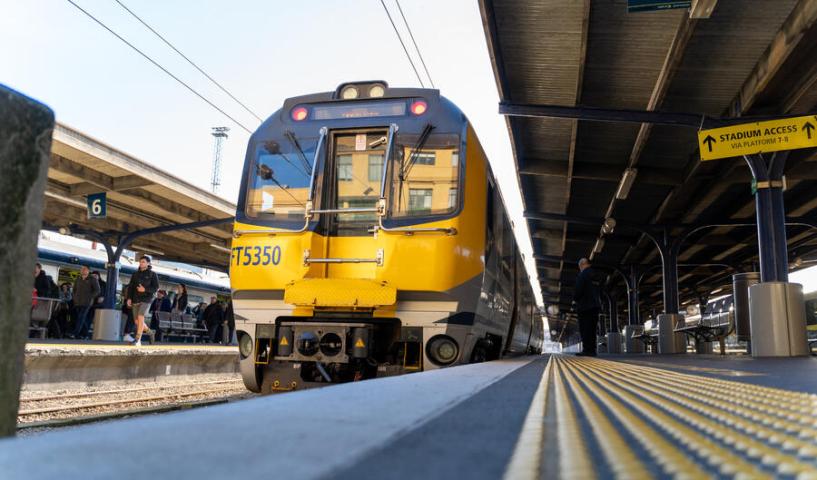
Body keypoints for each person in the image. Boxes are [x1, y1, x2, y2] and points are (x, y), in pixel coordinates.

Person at [125, 256, 159, 346]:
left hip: (146, 299)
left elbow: (156, 288)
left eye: (143, 262)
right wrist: (129, 298)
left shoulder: (153, 274)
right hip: (135, 299)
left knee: (140, 316)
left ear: (148, 263)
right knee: (137, 322)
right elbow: (131, 287)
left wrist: (145, 289)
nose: (141, 263)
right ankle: (150, 333)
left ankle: (137, 340)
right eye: (140, 262)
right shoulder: (135, 274)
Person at [573, 258, 601, 357]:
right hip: (595, 305)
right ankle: (592, 350)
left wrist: (575, 299)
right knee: (592, 329)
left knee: (585, 329)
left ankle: (587, 350)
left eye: (580, 267)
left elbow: (578, 290)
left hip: (585, 306)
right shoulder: (596, 275)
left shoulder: (583, 274)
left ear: (582, 265)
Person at [70, 265, 101, 339]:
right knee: (81, 319)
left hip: (87, 302)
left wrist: (90, 297)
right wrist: (74, 297)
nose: (82, 270)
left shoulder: (92, 279)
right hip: (77, 302)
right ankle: (86, 334)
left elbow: (97, 290)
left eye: (84, 269)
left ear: (88, 271)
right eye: (81, 269)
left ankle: (75, 333)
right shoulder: (78, 279)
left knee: (81, 317)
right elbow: (74, 289)